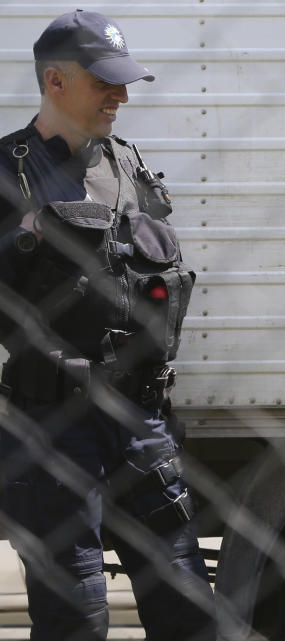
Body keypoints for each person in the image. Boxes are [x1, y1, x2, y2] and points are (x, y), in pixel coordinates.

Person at [0, 10, 214, 640]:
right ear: (55, 82)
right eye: (105, 83)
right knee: (78, 612)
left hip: (140, 416)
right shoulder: (7, 170)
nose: (120, 96)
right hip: (51, 424)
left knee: (185, 601)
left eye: (125, 84)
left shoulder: (129, 165)